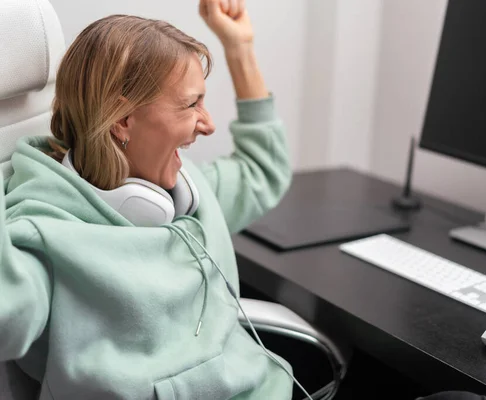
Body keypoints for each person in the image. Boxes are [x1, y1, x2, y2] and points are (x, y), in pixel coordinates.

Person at [0, 0, 297, 398]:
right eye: (192, 104)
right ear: (123, 120)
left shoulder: (184, 191)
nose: (208, 124)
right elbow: (7, 319)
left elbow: (260, 173)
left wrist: (239, 49)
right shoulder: (41, 232)